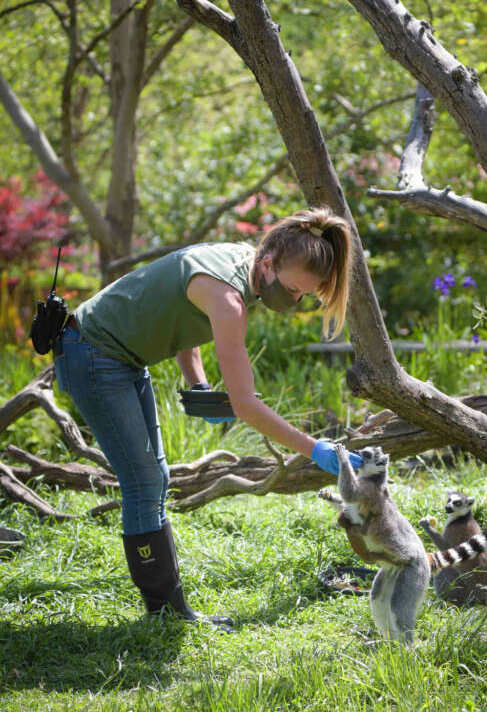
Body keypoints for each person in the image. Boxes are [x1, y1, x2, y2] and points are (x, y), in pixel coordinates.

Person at [52, 206, 361, 628]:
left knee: (154, 478)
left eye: (302, 295)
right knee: (144, 483)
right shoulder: (229, 298)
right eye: (291, 289)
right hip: (92, 351)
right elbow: (247, 406)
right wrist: (316, 449)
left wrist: (196, 384)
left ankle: (168, 609)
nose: (293, 300)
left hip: (120, 356)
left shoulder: (241, 259)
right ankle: (167, 615)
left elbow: (185, 318)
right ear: (268, 265)